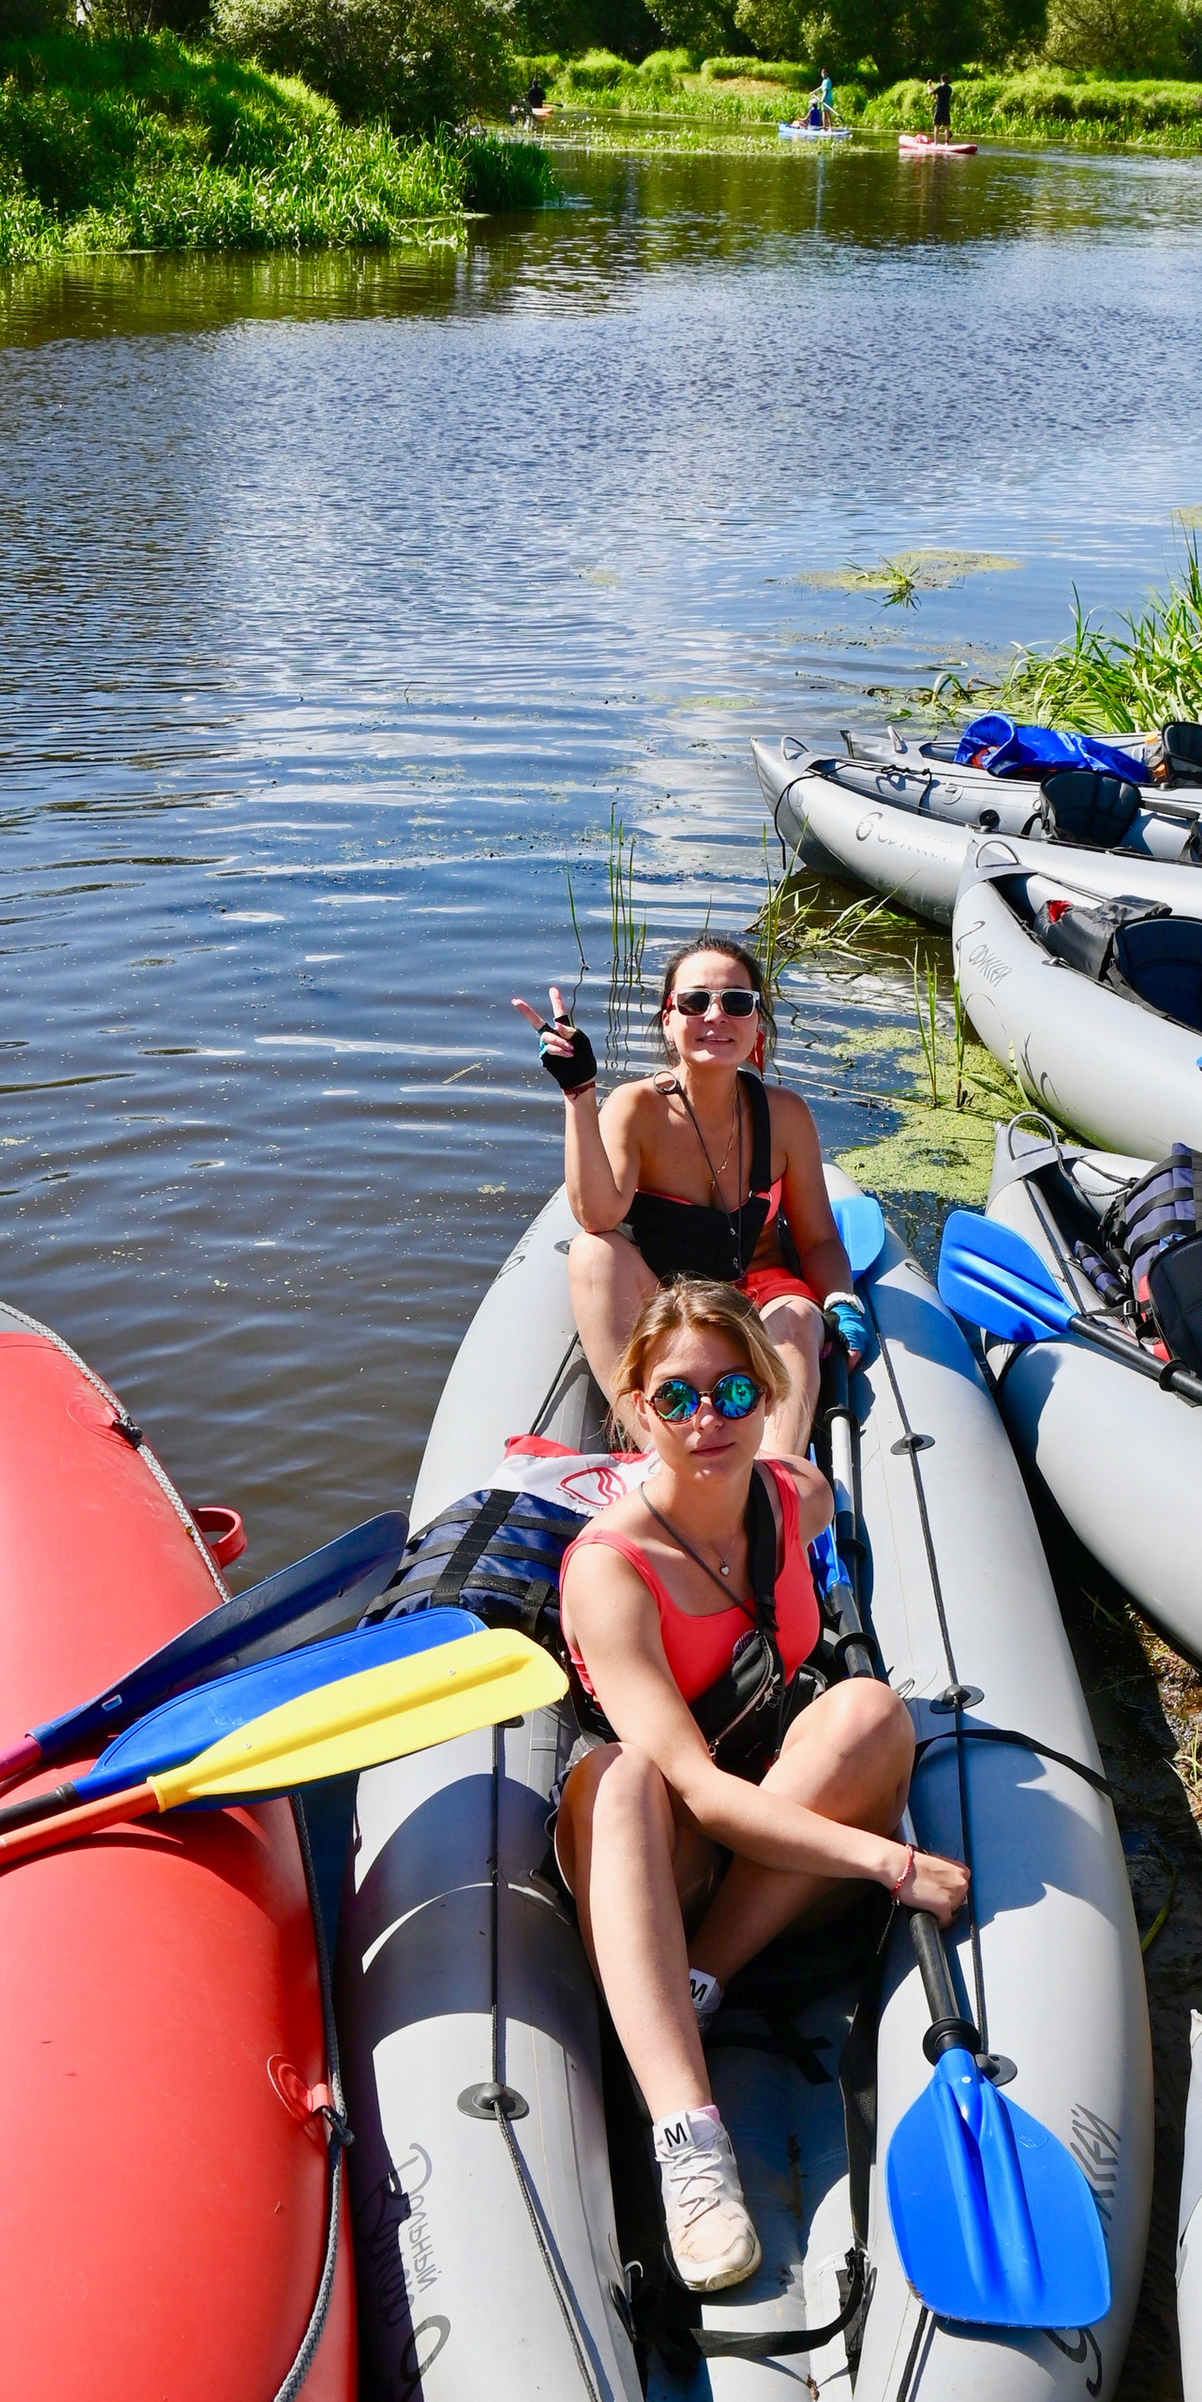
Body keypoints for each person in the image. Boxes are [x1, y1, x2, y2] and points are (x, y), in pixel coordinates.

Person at [554, 1281, 968, 2289]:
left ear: (768, 1393)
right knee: (624, 1777)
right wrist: (890, 1863)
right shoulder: (611, 1570)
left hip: (763, 1841)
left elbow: (811, 1515)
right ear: (636, 1408)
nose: (707, 1419)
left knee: (868, 1710)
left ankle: (696, 1983)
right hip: (670, 1853)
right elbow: (694, 1791)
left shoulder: (795, 1498)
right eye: (677, 1396)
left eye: (734, 1392)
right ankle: (690, 2149)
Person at [515, 937, 869, 1459]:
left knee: (799, 1315)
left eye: (737, 1002)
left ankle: (770, 1478)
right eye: (695, 1001)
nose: (716, 1015)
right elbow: (597, 1215)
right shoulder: (636, 1107)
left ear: (756, 1023)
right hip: (665, 1301)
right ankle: (661, 1458)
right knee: (593, 1251)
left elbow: (817, 1239)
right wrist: (579, 1092)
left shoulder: (786, 1115)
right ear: (668, 1019)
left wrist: (840, 1300)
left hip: (763, 1297)